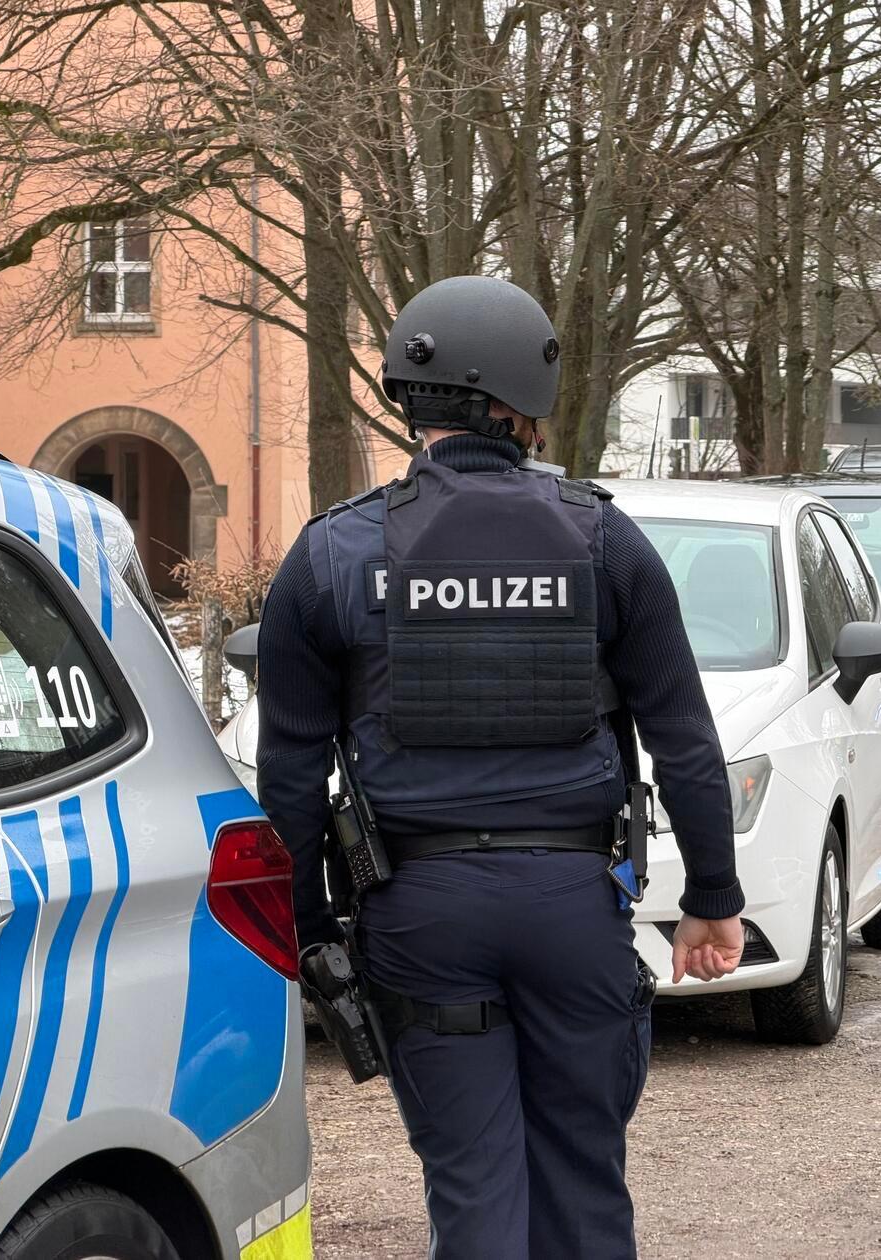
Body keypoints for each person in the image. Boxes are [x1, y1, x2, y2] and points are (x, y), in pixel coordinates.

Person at [256, 274, 745, 1259]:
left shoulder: (330, 557)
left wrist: (313, 939)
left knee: (476, 1193)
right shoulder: (606, 541)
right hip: (574, 905)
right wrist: (714, 898)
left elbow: (291, 783)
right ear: (528, 401)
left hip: (418, 914)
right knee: (583, 1188)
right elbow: (684, 737)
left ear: (406, 393)